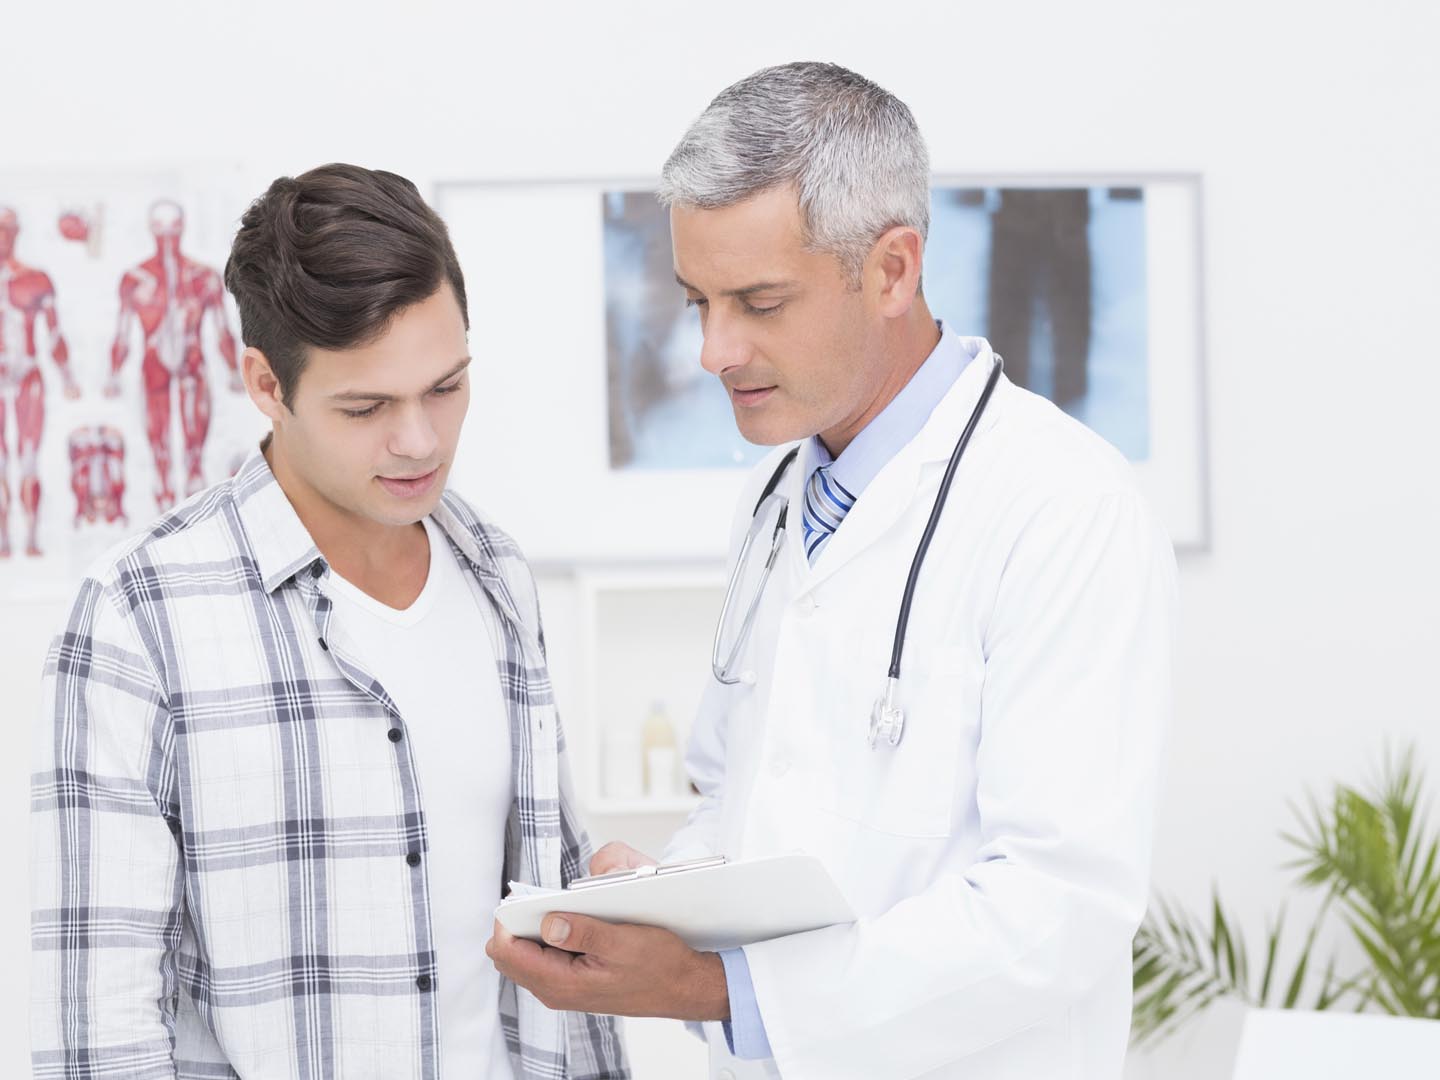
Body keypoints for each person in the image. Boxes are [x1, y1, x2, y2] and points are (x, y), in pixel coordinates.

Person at [488, 62, 1176, 1080]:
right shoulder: (773, 506)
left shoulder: (1062, 505)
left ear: (892, 269)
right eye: (697, 302)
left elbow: (1056, 909)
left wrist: (712, 990)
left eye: (759, 302)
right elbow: (743, 799)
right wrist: (661, 891)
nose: (715, 351)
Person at [30, 163, 629, 1080]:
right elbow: (100, 1032)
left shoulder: (499, 575)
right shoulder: (137, 618)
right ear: (266, 384)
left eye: (445, 387)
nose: (420, 441)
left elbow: (551, 940)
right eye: (367, 407)